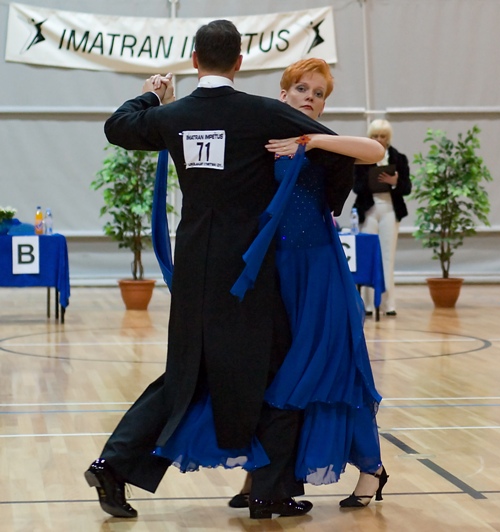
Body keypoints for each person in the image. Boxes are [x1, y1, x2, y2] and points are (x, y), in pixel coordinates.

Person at [84, 20, 354, 520]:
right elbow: (335, 147)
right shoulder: (262, 113)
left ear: (193, 61)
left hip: (193, 265)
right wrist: (329, 199)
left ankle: (114, 464)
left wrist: (150, 96)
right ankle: (269, 490)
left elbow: (117, 127)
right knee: (276, 368)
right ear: (238, 63)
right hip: (247, 269)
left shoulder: (175, 117)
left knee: (188, 372)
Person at [152, 58, 390, 510]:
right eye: (301, 88)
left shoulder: (324, 145)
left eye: (318, 93)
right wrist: (167, 107)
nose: (309, 98)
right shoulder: (261, 136)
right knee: (265, 378)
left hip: (318, 273)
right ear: (283, 94)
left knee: (331, 372)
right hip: (269, 272)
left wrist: (313, 138)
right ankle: (261, 477)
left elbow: (375, 152)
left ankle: (371, 468)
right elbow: (206, 135)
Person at [353, 119, 411, 316]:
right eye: (375, 136)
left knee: (388, 257)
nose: (379, 139)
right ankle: (368, 305)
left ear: (388, 138)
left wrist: (395, 182)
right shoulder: (361, 157)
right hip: (369, 209)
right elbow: (356, 187)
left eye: (382, 136)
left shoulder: (399, 158)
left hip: (390, 209)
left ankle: (388, 304)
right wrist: (371, 181)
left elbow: (407, 188)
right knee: (368, 256)